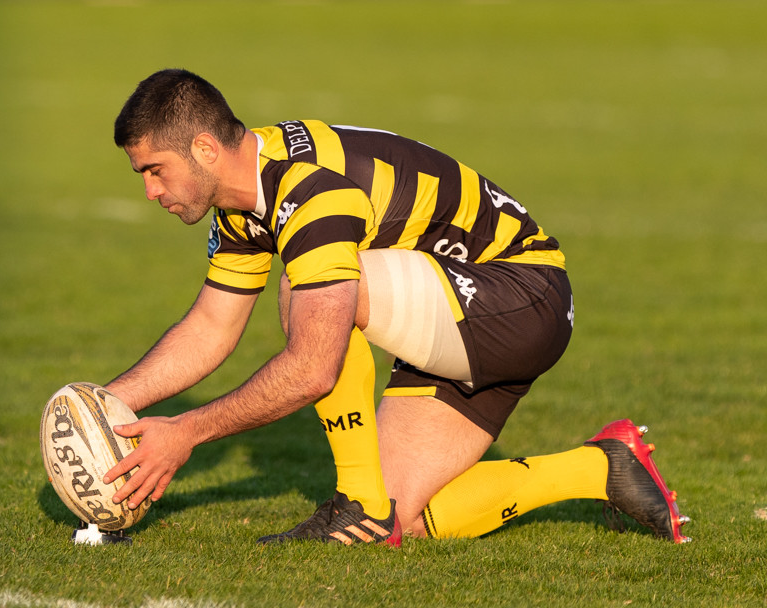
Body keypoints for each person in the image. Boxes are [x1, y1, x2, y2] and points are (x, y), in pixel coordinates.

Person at [99, 68, 690, 545]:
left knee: (317, 293)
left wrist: (186, 431)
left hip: (520, 295)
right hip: (453, 312)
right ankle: (602, 466)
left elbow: (313, 366)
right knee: (409, 514)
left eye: (155, 170)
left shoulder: (307, 188)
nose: (151, 191)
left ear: (204, 148)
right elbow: (211, 326)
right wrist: (106, 405)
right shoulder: (244, 200)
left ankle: (358, 507)